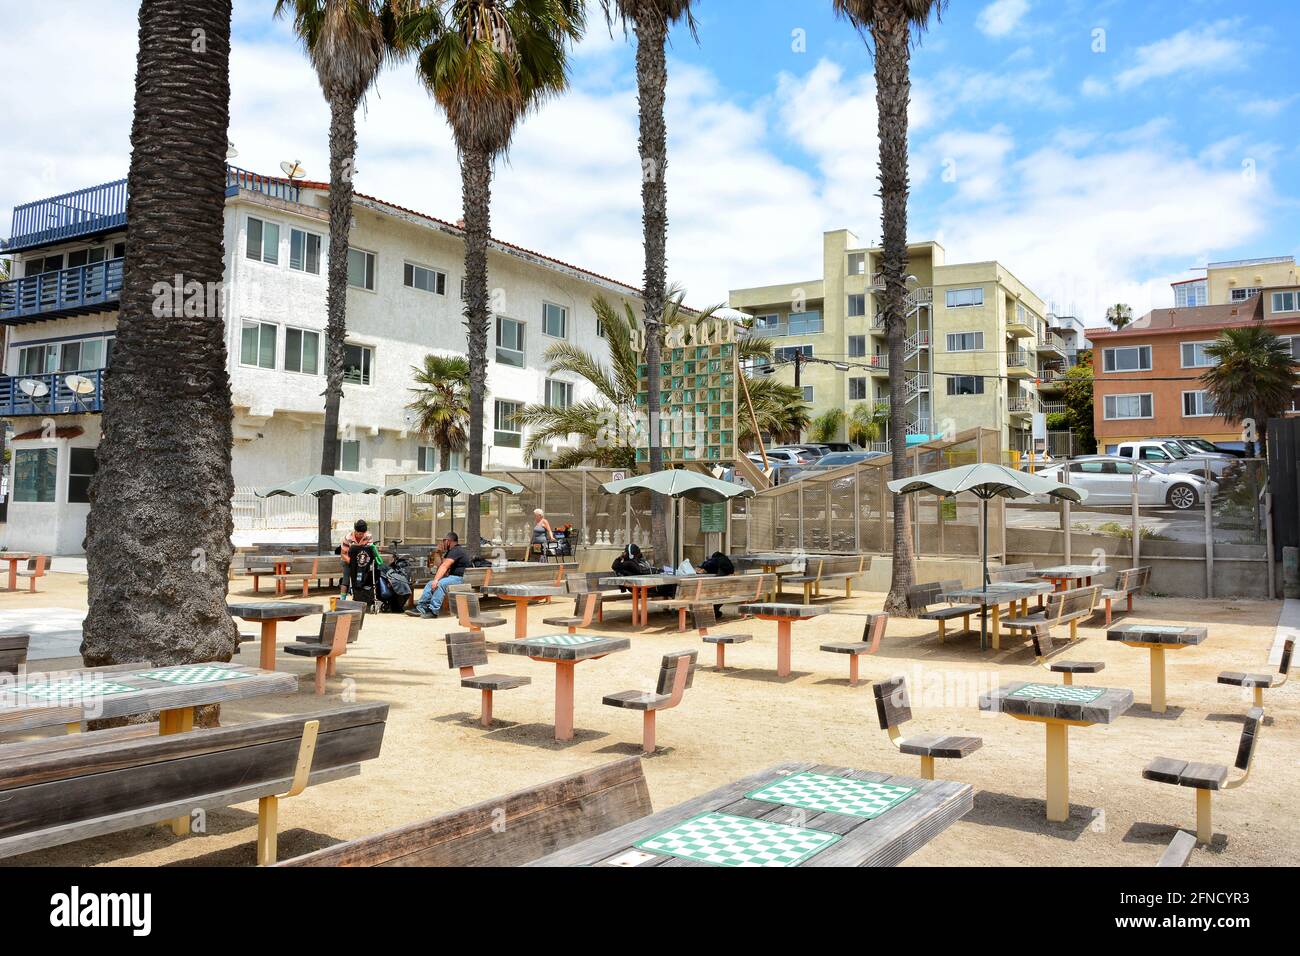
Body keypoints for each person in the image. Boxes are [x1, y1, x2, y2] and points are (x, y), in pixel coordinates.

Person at [408, 531, 470, 619]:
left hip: (460, 578)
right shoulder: (451, 551)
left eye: (444, 541)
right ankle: (421, 608)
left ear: (448, 541)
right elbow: (440, 566)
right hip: (453, 577)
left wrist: (436, 580)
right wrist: (437, 552)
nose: (442, 544)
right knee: (430, 583)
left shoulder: (457, 550)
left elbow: (444, 566)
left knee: (440, 584)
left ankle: (433, 611)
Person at [339, 519, 373, 596]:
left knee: (364, 577)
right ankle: (342, 598)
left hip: (362, 561)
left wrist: (361, 563)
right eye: (358, 533)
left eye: (362, 534)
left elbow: (370, 551)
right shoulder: (347, 538)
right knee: (346, 579)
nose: (360, 535)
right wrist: (352, 563)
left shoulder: (368, 537)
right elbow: (343, 554)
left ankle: (361, 596)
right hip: (348, 560)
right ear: (355, 531)